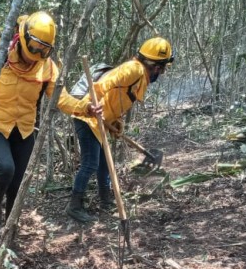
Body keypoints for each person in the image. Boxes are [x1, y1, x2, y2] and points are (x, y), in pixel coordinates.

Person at [0, 11, 96, 237]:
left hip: (24, 129)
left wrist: (86, 107)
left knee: (17, 182)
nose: (37, 54)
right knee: (5, 168)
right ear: (23, 38)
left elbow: (60, 99)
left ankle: (10, 226)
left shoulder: (48, 67)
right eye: (34, 46)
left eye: (45, 49)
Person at [65, 37, 174, 223]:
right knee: (90, 163)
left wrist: (115, 122)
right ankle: (74, 206)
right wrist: (89, 105)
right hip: (88, 116)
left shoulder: (140, 76)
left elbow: (117, 98)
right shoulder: (134, 69)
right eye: (162, 69)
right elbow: (102, 84)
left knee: (104, 163)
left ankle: (106, 201)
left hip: (100, 120)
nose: (161, 73)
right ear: (157, 67)